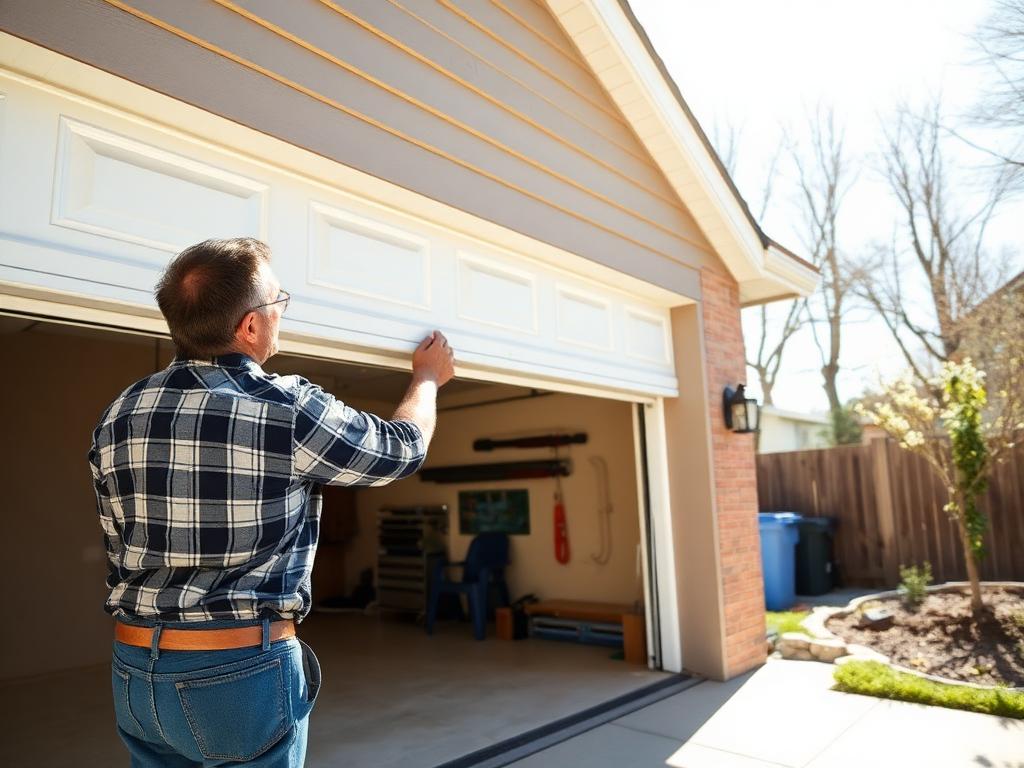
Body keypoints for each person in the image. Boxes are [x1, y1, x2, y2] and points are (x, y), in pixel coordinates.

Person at [88, 237, 454, 767]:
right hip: (238, 672)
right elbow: (401, 448)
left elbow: (116, 537)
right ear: (251, 326)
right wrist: (426, 379)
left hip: (133, 669)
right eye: (279, 302)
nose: (282, 314)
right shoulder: (284, 408)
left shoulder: (120, 413)